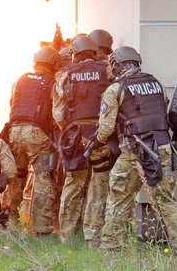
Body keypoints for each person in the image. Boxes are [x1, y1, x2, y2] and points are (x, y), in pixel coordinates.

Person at [92, 46, 177, 251]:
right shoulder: (156, 83)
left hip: (133, 151)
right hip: (161, 146)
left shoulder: (115, 89)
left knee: (118, 197)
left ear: (116, 64)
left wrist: (98, 141)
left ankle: (111, 248)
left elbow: (106, 128)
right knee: (165, 199)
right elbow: (164, 110)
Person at [53, 36, 113, 247]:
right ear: (94, 52)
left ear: (74, 53)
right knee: (99, 187)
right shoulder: (106, 71)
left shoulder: (64, 77)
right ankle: (93, 238)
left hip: (76, 137)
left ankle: (67, 237)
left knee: (73, 186)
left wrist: (72, 128)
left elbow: (58, 114)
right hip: (100, 137)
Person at [1, 47, 60, 236]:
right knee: (43, 180)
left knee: (15, 177)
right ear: (54, 63)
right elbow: (57, 113)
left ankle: (8, 218)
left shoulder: (20, 80)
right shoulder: (53, 83)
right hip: (37, 135)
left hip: (14, 132)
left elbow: (13, 104)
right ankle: (42, 230)